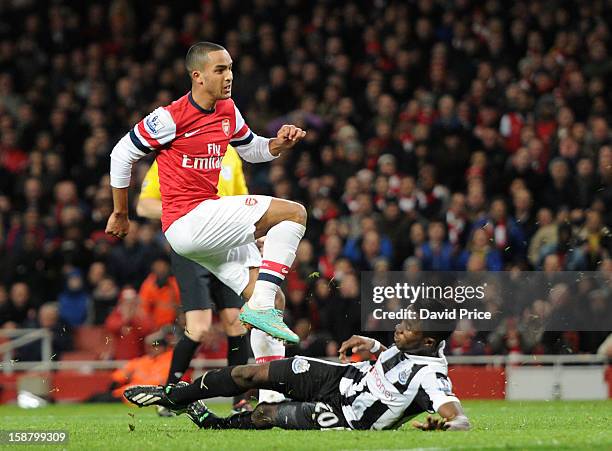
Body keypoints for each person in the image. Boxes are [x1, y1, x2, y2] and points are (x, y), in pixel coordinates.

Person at [106, 41, 307, 344]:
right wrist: (121, 213)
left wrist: (278, 145)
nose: (229, 77)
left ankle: (269, 391)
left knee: (272, 299)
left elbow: (251, 149)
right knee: (294, 213)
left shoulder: (227, 109)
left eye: (230, 69)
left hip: (204, 227)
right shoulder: (171, 117)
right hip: (187, 220)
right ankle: (262, 308)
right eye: (220, 70)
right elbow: (122, 154)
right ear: (197, 76)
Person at [123, 302, 470, 432]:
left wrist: (450, 425)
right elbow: (393, 360)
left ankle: (213, 425)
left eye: (408, 328)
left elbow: (455, 413)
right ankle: (175, 397)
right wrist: (375, 346)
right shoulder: (410, 345)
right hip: (342, 377)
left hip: (346, 417)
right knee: (251, 374)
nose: (398, 328)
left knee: (266, 414)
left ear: (428, 343)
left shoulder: (431, 376)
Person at [136, 148, 286, 410]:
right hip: (193, 245)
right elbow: (144, 204)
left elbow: (243, 198)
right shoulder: (176, 151)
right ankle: (171, 395)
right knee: (200, 327)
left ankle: (239, 399)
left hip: (228, 244)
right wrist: (183, 212)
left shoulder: (230, 154)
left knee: (236, 322)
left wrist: (255, 232)